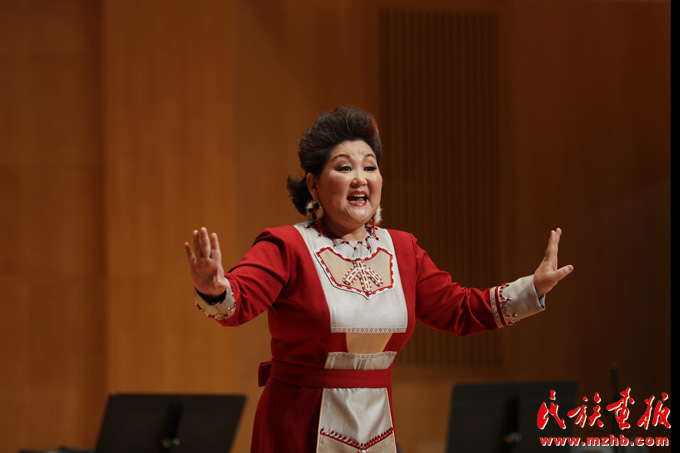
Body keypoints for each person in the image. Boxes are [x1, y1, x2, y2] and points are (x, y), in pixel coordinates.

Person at [183, 106, 573, 452]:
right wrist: (214, 289)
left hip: (376, 427)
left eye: (369, 167)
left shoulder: (403, 250)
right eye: (344, 167)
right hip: (298, 427)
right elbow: (238, 301)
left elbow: (461, 310)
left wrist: (532, 288)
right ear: (314, 184)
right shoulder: (287, 245)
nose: (360, 179)